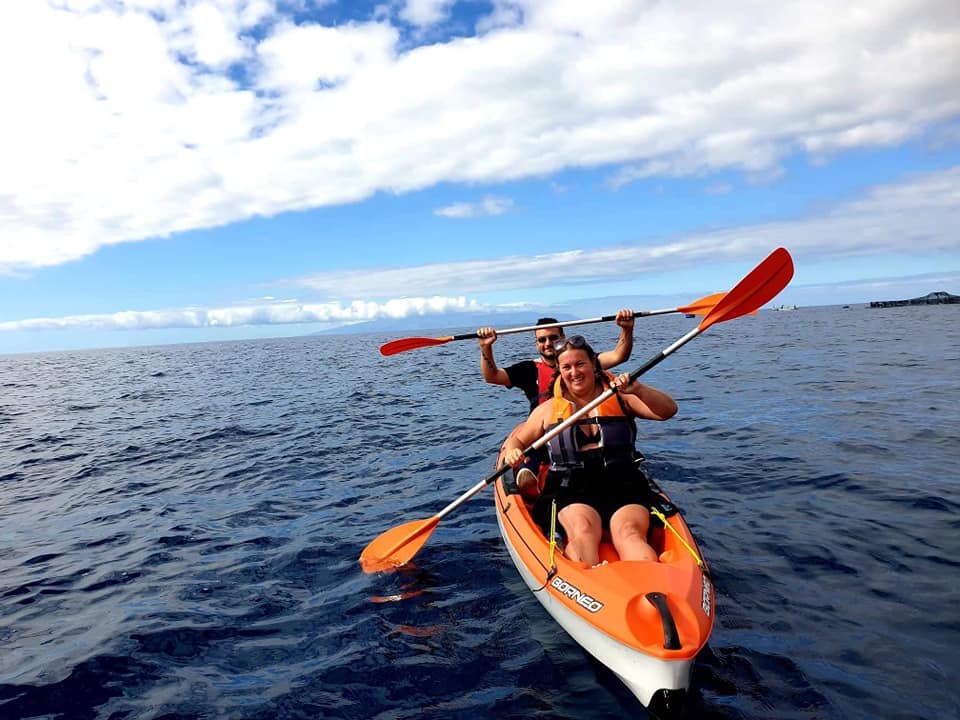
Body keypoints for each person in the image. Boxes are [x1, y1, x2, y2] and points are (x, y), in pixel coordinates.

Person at [500, 335, 677, 566]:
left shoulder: (621, 398)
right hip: (571, 487)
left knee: (629, 532)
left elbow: (668, 411)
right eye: (567, 367)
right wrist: (513, 452)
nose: (574, 372)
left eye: (580, 364)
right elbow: (518, 441)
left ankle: (651, 584)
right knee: (582, 530)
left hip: (622, 482)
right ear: (560, 370)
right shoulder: (548, 409)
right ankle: (589, 581)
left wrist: (639, 389)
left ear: (594, 364)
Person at [477, 311, 636, 413]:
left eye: (553, 338)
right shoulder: (529, 369)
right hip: (547, 429)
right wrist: (485, 347)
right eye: (542, 339)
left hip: (583, 421)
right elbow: (492, 377)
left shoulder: (584, 362)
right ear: (536, 343)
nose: (547, 343)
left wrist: (626, 329)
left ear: (562, 338)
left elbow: (619, 356)